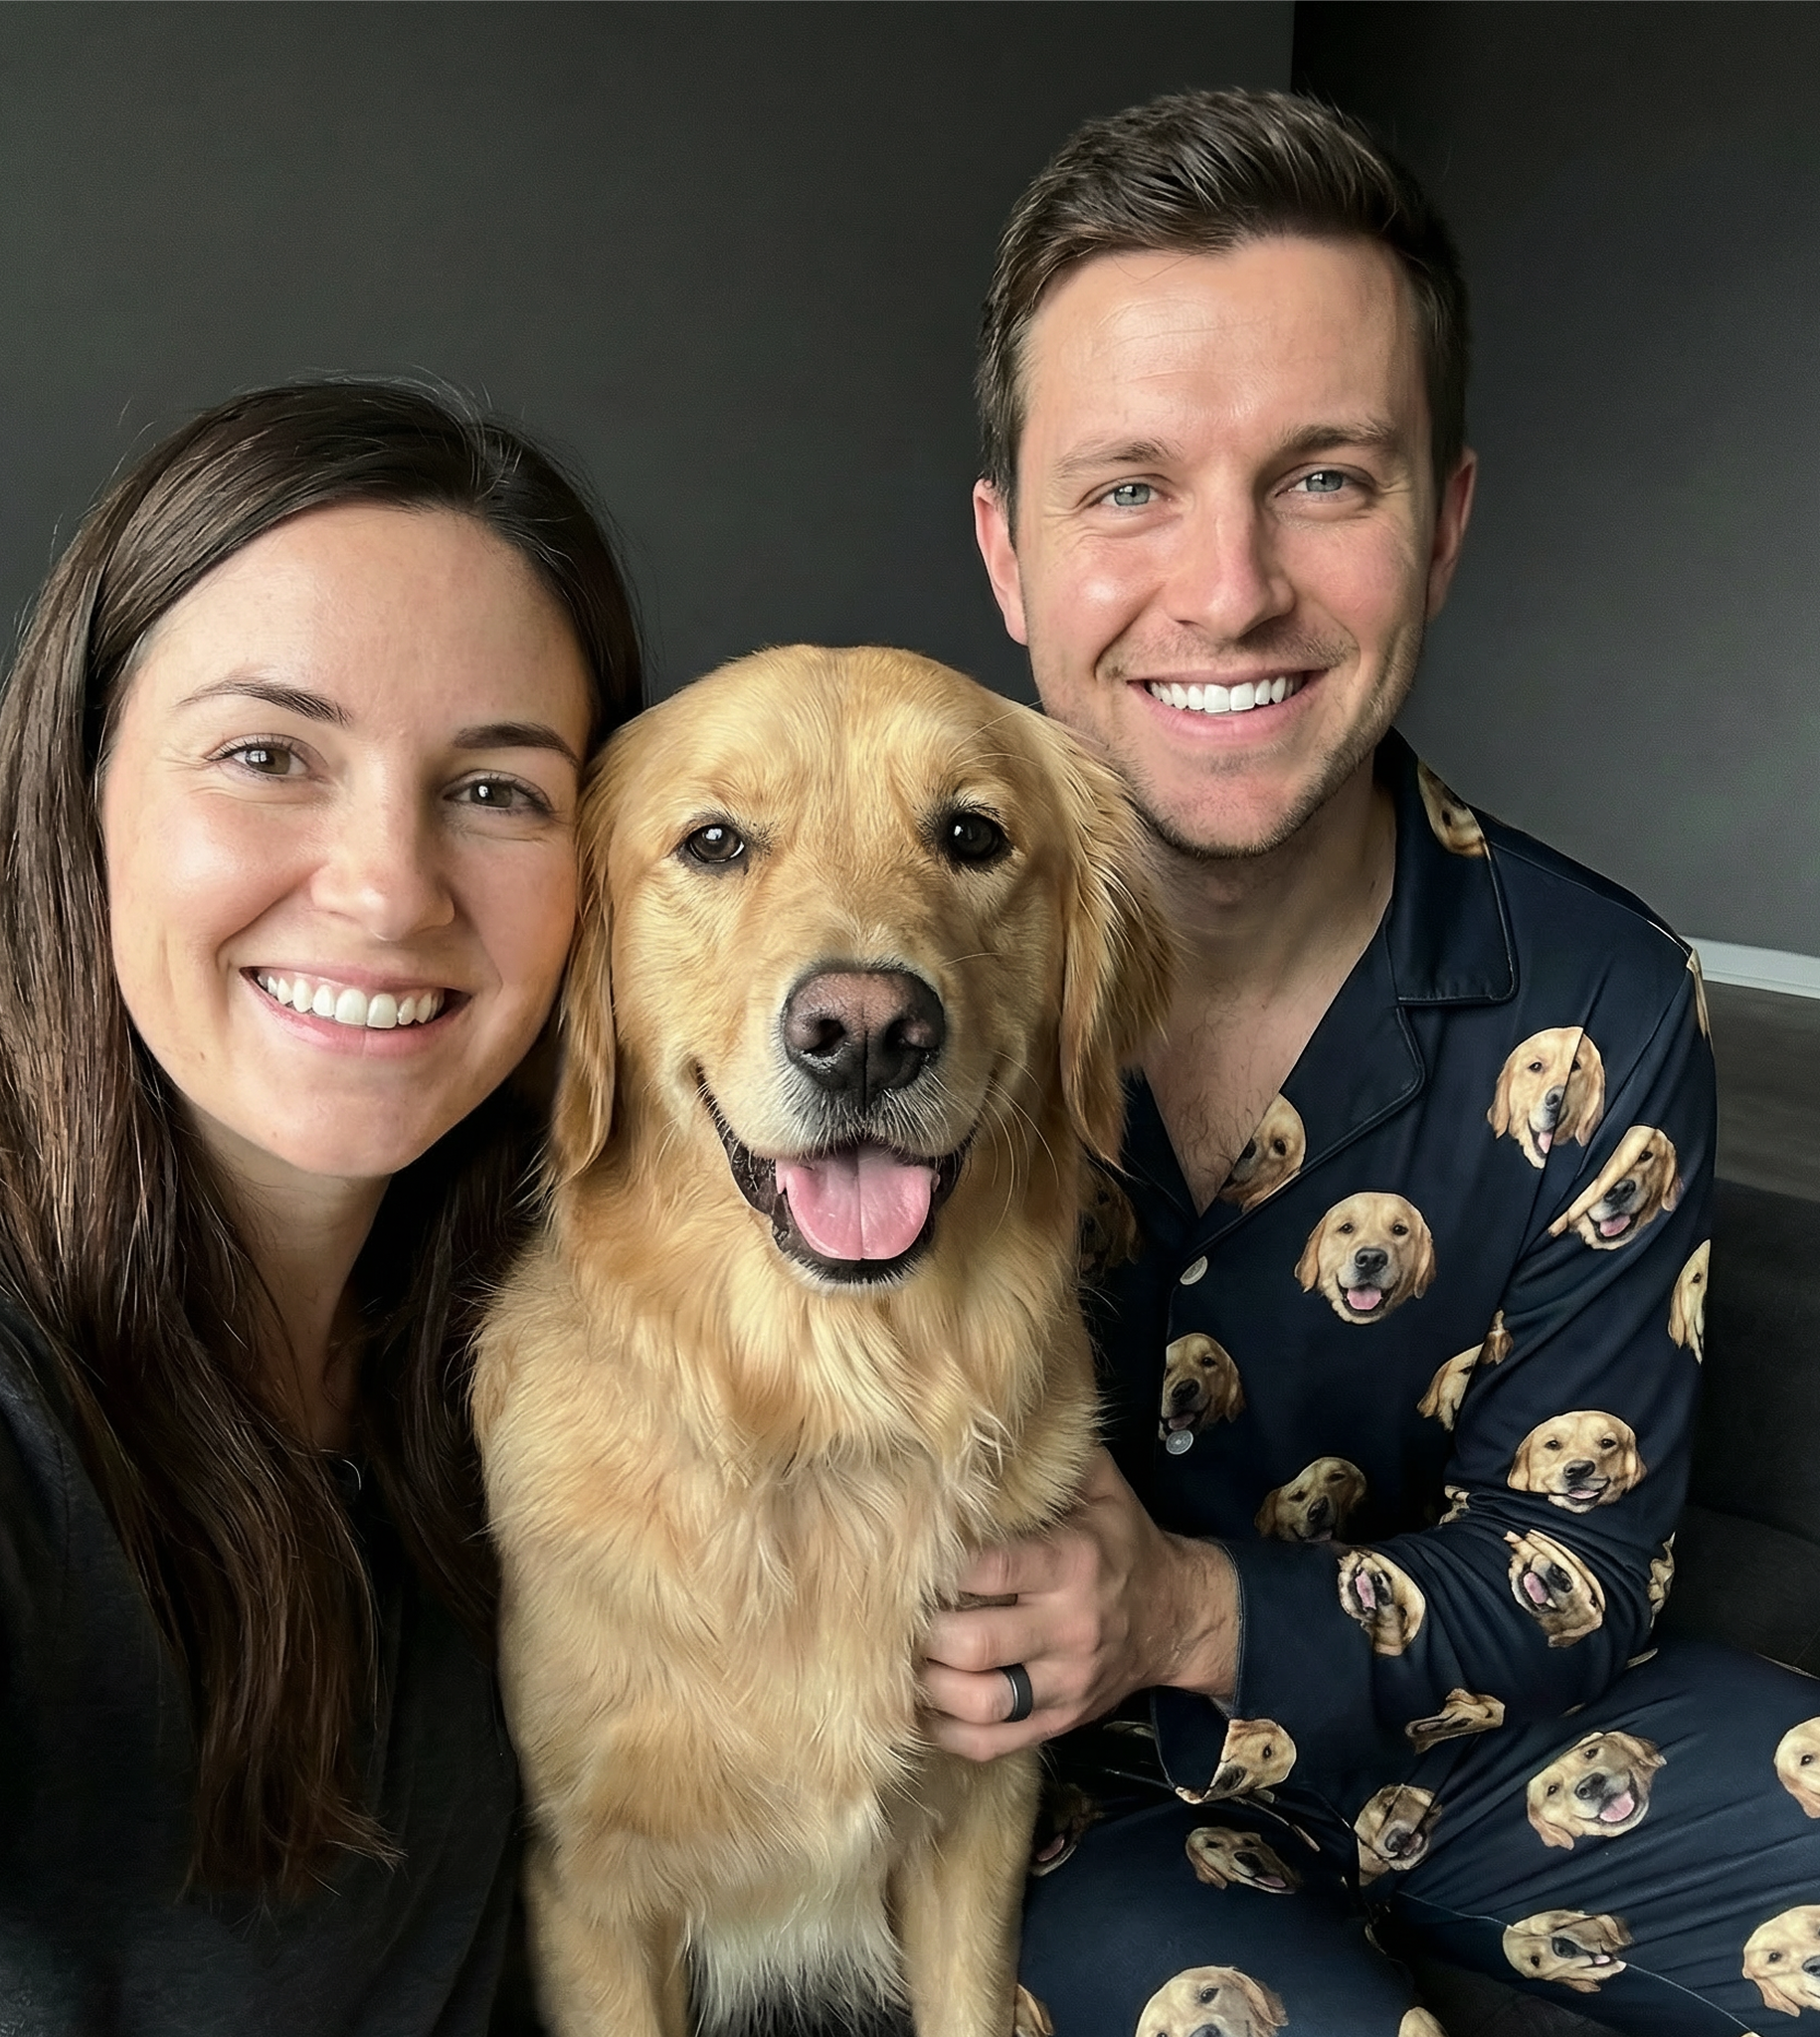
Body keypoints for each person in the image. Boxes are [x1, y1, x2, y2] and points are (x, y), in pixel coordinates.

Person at [922, 89, 1820, 2033]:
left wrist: (1180, 1605)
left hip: (1479, 1743)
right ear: (1006, 551)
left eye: (1324, 477)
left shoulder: (1600, 997)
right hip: (1043, 1799)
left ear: (1445, 523)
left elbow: (1574, 1574)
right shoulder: (860, 980)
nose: (1228, 587)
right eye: (1127, 487)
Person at [0, 380, 640, 2033]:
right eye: (268, 755)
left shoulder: (558, 1261)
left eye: (496, 790)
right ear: (83, 794)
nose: (389, 886)